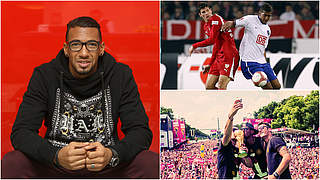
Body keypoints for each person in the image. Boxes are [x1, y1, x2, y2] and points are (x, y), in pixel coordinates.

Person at [1, 16, 158, 178]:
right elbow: (21, 132)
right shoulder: (44, 75)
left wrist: (112, 155)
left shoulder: (120, 75)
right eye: (76, 45)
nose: (84, 53)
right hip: (56, 165)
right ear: (66, 49)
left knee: (150, 163)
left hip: (105, 166)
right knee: (13, 162)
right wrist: (56, 156)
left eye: (91, 45)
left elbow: (140, 131)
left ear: (101, 48)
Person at [221, 3, 281, 89]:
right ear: (260, 13)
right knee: (268, 88)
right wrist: (227, 25)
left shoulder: (268, 29)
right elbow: (233, 23)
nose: (267, 18)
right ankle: (266, 102)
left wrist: (265, 61)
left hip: (263, 62)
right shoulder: (250, 19)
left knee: (277, 86)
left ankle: (274, 102)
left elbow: (263, 48)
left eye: (269, 16)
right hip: (250, 62)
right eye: (265, 15)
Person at [189, 2, 239, 90]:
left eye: (208, 10)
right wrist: (210, 63)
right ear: (200, 15)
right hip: (219, 57)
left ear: (211, 11)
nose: (206, 13)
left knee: (221, 86)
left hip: (229, 55)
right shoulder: (206, 26)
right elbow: (216, 44)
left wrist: (194, 46)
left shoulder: (216, 19)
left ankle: (228, 103)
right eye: (203, 12)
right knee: (209, 87)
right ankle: (220, 101)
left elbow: (212, 40)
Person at [217, 99, 244, 178]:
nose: (235, 133)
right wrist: (230, 117)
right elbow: (227, 134)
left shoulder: (237, 148)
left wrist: (245, 155)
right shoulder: (224, 147)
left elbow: (249, 164)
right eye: (232, 130)